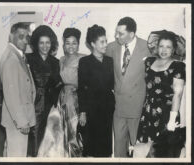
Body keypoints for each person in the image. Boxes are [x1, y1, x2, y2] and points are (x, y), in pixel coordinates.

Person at [106, 17, 151, 157]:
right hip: (118, 106)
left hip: (138, 106)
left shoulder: (148, 47)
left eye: (121, 33)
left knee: (138, 147)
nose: (116, 36)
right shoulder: (111, 47)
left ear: (131, 34)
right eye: (116, 32)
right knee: (119, 147)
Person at [137, 31, 186, 157]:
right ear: (157, 47)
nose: (164, 50)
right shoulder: (148, 61)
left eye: (168, 47)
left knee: (165, 151)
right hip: (148, 111)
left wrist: (172, 119)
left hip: (167, 113)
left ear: (174, 49)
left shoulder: (178, 66)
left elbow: (178, 94)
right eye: (161, 46)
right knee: (149, 148)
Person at [38, 28, 84, 157]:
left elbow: (87, 81)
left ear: (78, 44)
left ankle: (76, 156)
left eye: (74, 43)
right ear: (63, 45)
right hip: (61, 97)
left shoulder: (84, 58)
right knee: (57, 130)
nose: (70, 46)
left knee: (73, 131)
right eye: (67, 43)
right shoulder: (62, 59)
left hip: (75, 99)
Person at [78, 24, 115, 157]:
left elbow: (113, 85)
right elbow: (81, 88)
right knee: (91, 146)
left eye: (106, 41)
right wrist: (82, 112)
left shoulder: (110, 61)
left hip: (108, 108)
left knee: (105, 146)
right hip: (92, 109)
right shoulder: (84, 62)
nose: (106, 44)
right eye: (102, 42)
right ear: (93, 44)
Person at [0, 22, 36, 157]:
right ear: (11, 36)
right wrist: (22, 121)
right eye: (20, 36)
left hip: (16, 119)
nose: (25, 41)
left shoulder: (16, 55)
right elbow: (12, 95)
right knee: (17, 156)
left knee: (13, 154)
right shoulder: (11, 59)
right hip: (17, 122)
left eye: (27, 37)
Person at [26, 25, 62, 157]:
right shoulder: (28, 59)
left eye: (48, 42)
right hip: (33, 105)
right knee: (34, 138)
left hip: (49, 106)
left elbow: (58, 83)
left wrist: (55, 101)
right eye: (41, 42)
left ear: (52, 44)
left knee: (49, 139)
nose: (45, 46)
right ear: (36, 43)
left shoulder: (55, 62)